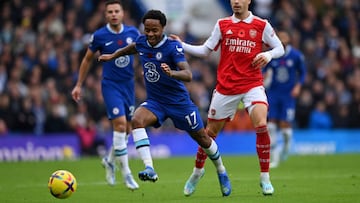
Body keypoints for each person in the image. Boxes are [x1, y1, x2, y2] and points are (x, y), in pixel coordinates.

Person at [98, 9, 232, 197]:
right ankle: (149, 168)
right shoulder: (142, 41)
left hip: (179, 103)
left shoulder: (172, 47)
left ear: (163, 28)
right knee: (136, 120)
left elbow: (188, 74)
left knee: (203, 139)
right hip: (156, 102)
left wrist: (172, 73)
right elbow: (131, 48)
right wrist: (112, 56)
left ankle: (221, 171)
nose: (151, 34)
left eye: (155, 30)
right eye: (147, 30)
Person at [170, 0, 285, 196]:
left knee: (261, 125)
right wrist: (182, 45)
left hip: (252, 85)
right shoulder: (223, 24)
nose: (236, 2)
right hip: (226, 88)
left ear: (248, 1)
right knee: (208, 134)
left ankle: (265, 178)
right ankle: (197, 172)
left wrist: (268, 55)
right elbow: (205, 50)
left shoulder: (261, 24)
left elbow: (280, 48)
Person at [71, 0, 139, 190]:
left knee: (126, 131)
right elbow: (87, 60)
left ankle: (109, 160)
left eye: (117, 11)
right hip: (111, 86)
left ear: (123, 13)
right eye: (110, 12)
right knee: (120, 125)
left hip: (129, 86)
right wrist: (78, 85)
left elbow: (145, 51)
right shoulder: (100, 36)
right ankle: (127, 174)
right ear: (105, 15)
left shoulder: (133, 33)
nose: (114, 14)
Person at [262, 30, 306, 168]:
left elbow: (303, 72)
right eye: (279, 37)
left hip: (288, 95)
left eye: (284, 37)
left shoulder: (296, 55)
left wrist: (298, 86)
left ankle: (287, 146)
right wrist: (264, 77)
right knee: (271, 126)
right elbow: (263, 70)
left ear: (289, 39)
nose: (282, 40)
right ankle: (274, 158)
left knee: (285, 128)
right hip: (273, 94)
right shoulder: (273, 54)